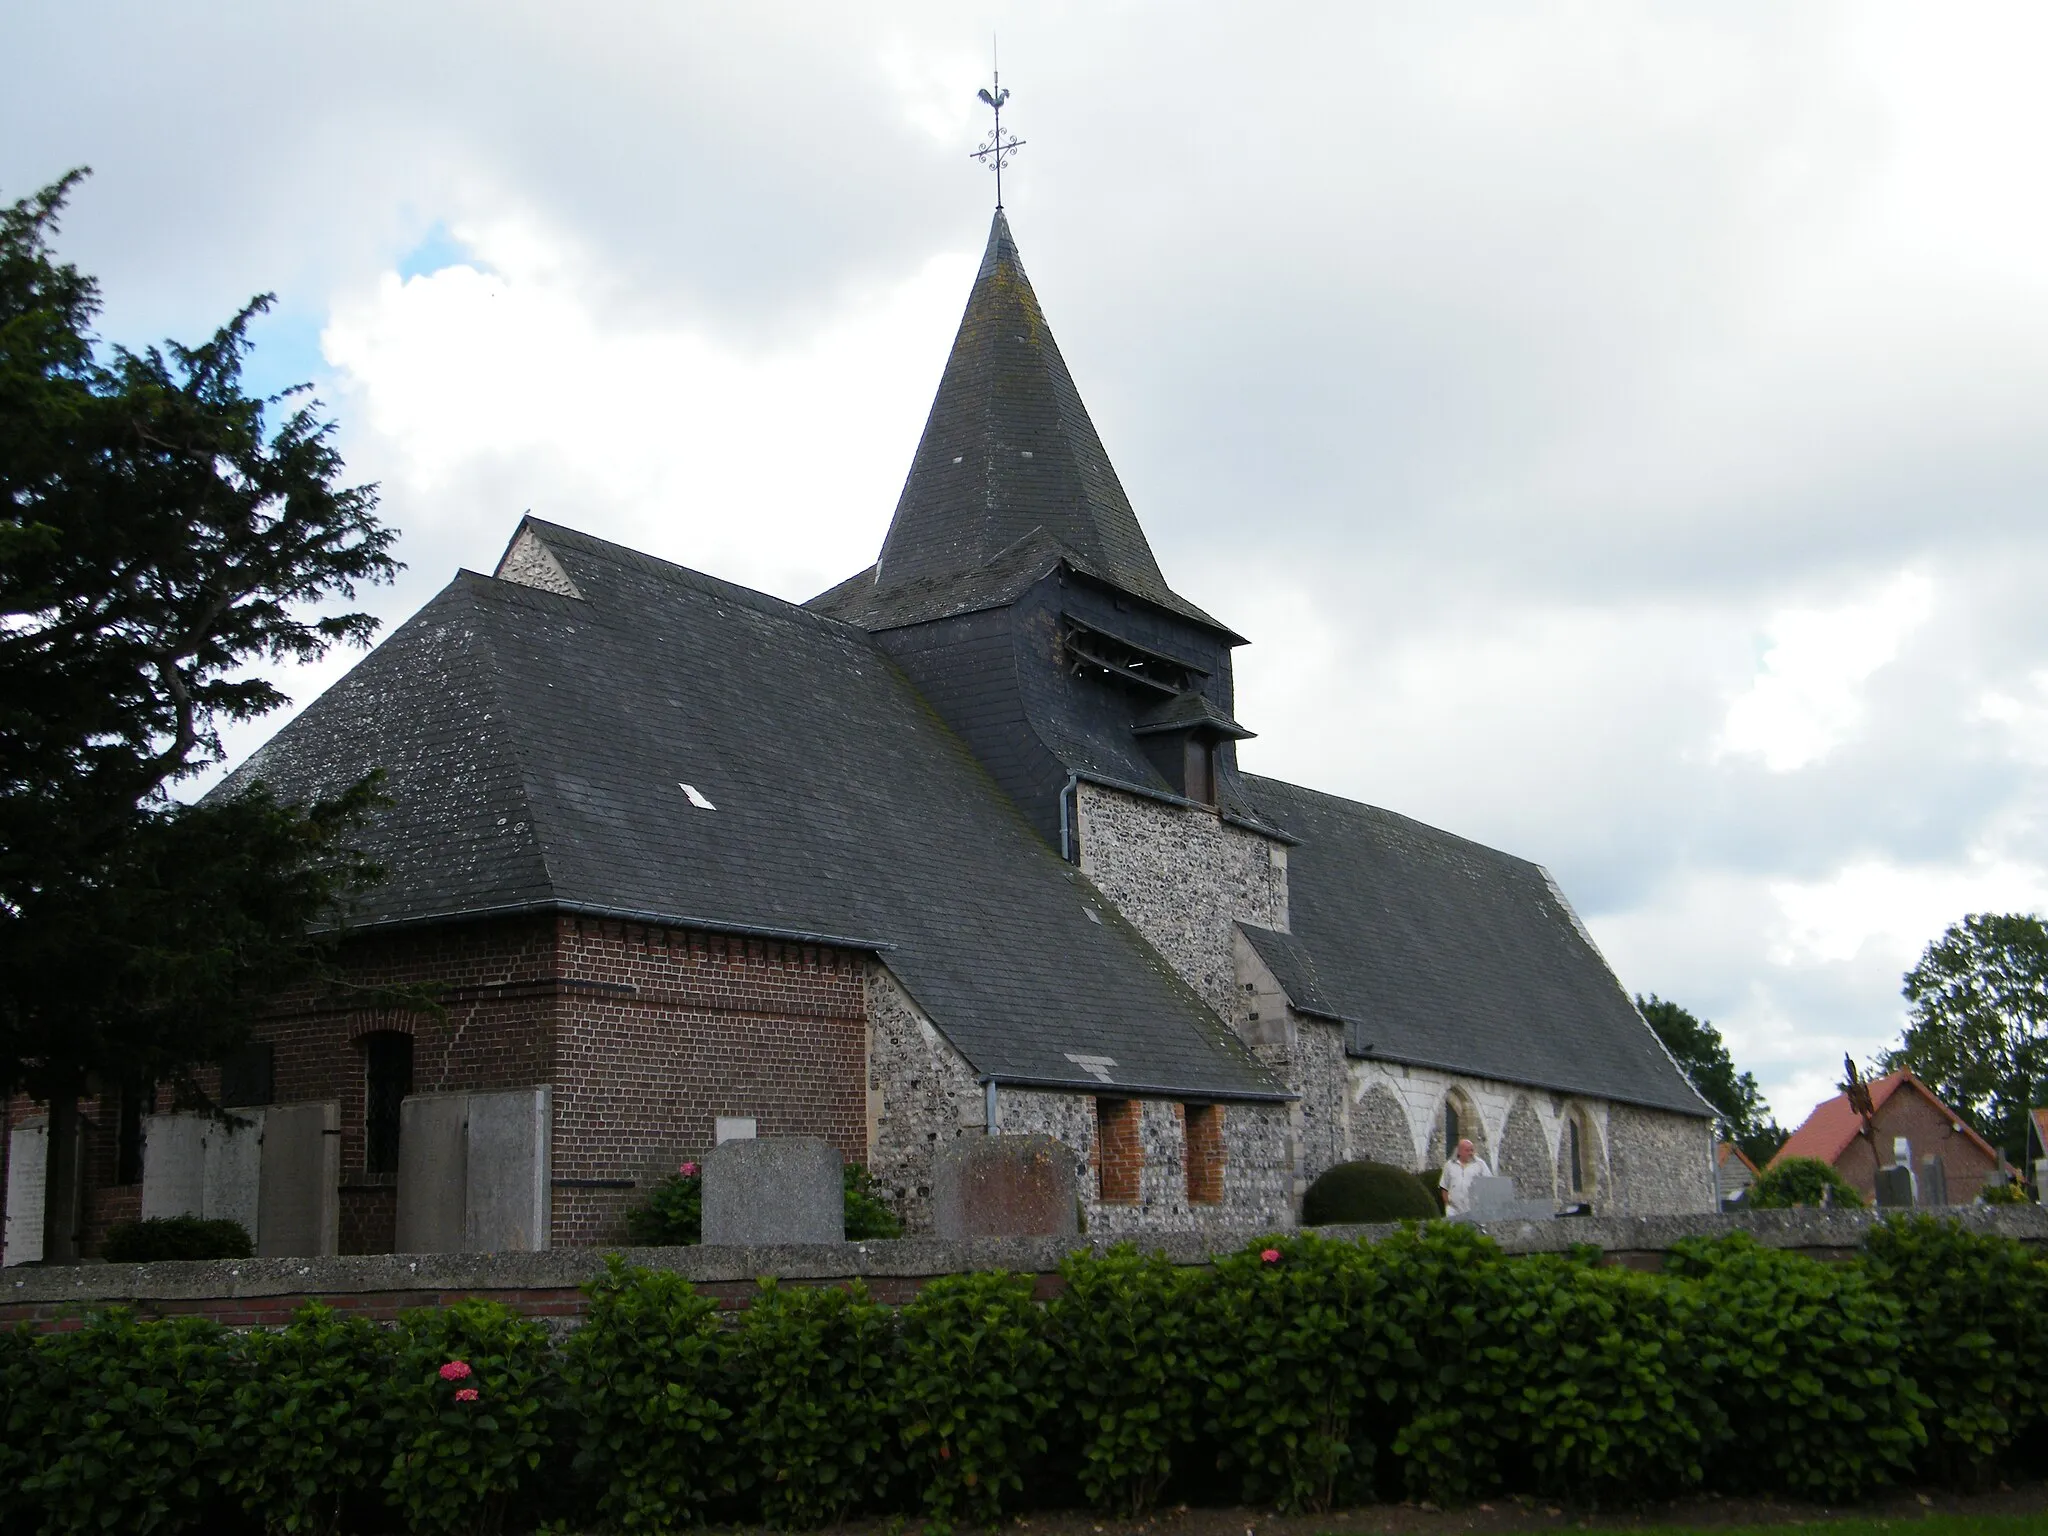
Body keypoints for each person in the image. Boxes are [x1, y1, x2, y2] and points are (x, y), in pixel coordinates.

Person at [1438, 1137, 1492, 1218]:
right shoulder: (1449, 1165)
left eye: (1472, 1150)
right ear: (1459, 1151)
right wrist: (1447, 1205)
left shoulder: (1480, 1165)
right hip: (1454, 1211)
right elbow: (1444, 1187)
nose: (1470, 1153)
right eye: (1467, 1150)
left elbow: (1489, 1183)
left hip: (1474, 1210)